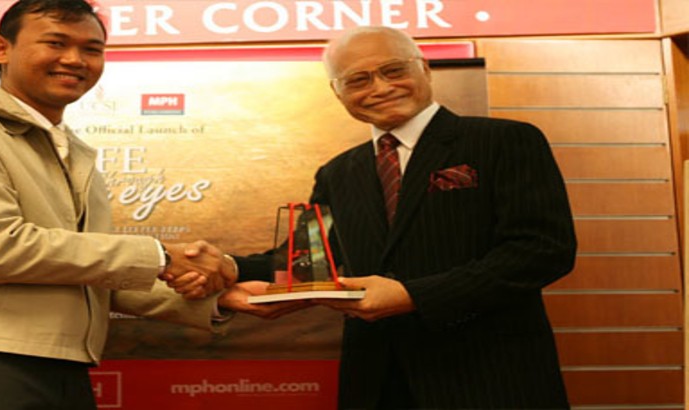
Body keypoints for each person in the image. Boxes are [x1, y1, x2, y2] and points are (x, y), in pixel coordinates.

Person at [0, 1, 235, 409]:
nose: (74, 60)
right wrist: (160, 257)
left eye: (92, 48)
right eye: (56, 42)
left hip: (62, 365)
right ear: (1, 49)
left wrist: (221, 299)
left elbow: (90, 274)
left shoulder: (72, 149)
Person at [218, 26, 577, 409]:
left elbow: (543, 251)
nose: (380, 87)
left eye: (393, 70)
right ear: (337, 92)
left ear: (424, 69)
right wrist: (225, 267)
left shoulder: (505, 141)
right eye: (358, 79)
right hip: (376, 382)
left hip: (491, 377)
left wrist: (413, 296)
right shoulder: (337, 173)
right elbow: (306, 262)